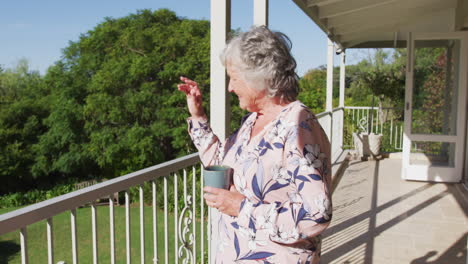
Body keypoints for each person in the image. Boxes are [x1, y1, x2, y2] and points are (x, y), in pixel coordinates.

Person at [178, 26, 331, 264]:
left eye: (235, 78)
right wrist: (198, 117)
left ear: (260, 77)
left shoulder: (299, 126)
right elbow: (221, 164)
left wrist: (242, 208)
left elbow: (316, 215)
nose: (230, 87)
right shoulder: (253, 120)